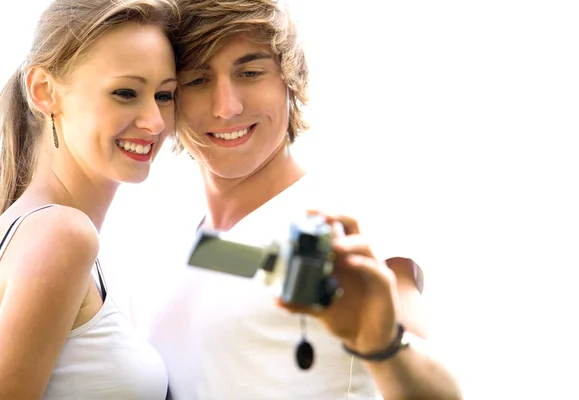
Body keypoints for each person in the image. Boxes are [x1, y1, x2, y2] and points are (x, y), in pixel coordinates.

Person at [145, 0, 463, 399]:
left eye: (250, 72)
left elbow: (442, 389)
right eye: (196, 80)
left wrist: (383, 346)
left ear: (289, 79)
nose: (226, 106)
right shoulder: (182, 249)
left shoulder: (341, 218)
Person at [0, 0, 179, 398]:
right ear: (44, 91)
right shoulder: (62, 235)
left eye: (165, 96)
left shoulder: (35, 230)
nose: (154, 122)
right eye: (125, 92)